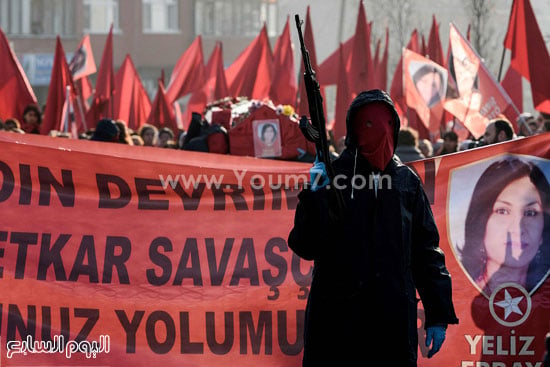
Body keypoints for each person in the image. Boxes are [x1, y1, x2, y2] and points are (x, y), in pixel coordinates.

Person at [288, 89, 459, 366]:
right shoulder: (335, 176)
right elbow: (305, 245)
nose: (379, 132)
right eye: (368, 124)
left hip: (391, 324)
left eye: (386, 124)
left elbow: (426, 251)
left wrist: (438, 313)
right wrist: (315, 195)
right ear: (355, 129)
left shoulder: (406, 182)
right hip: (337, 324)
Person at [460, 157, 550, 295]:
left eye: (531, 213)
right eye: (502, 211)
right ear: (481, 222)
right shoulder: (456, 293)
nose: (517, 228)